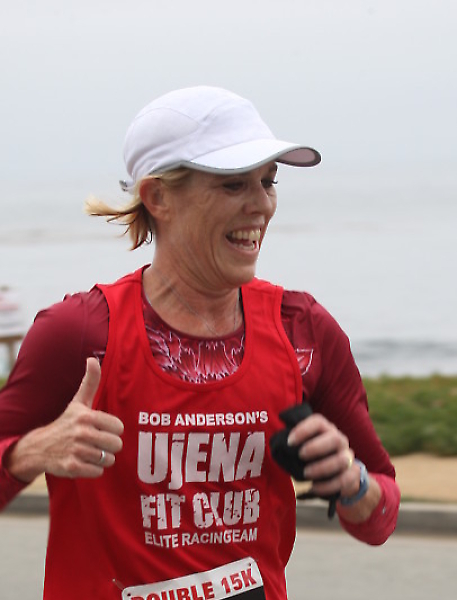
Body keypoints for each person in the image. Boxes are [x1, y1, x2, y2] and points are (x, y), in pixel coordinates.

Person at [0, 86, 400, 599]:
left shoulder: (303, 331)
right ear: (158, 198)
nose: (262, 204)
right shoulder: (80, 332)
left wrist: (351, 481)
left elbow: (380, 518)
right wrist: (30, 452)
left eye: (268, 181)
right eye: (233, 184)